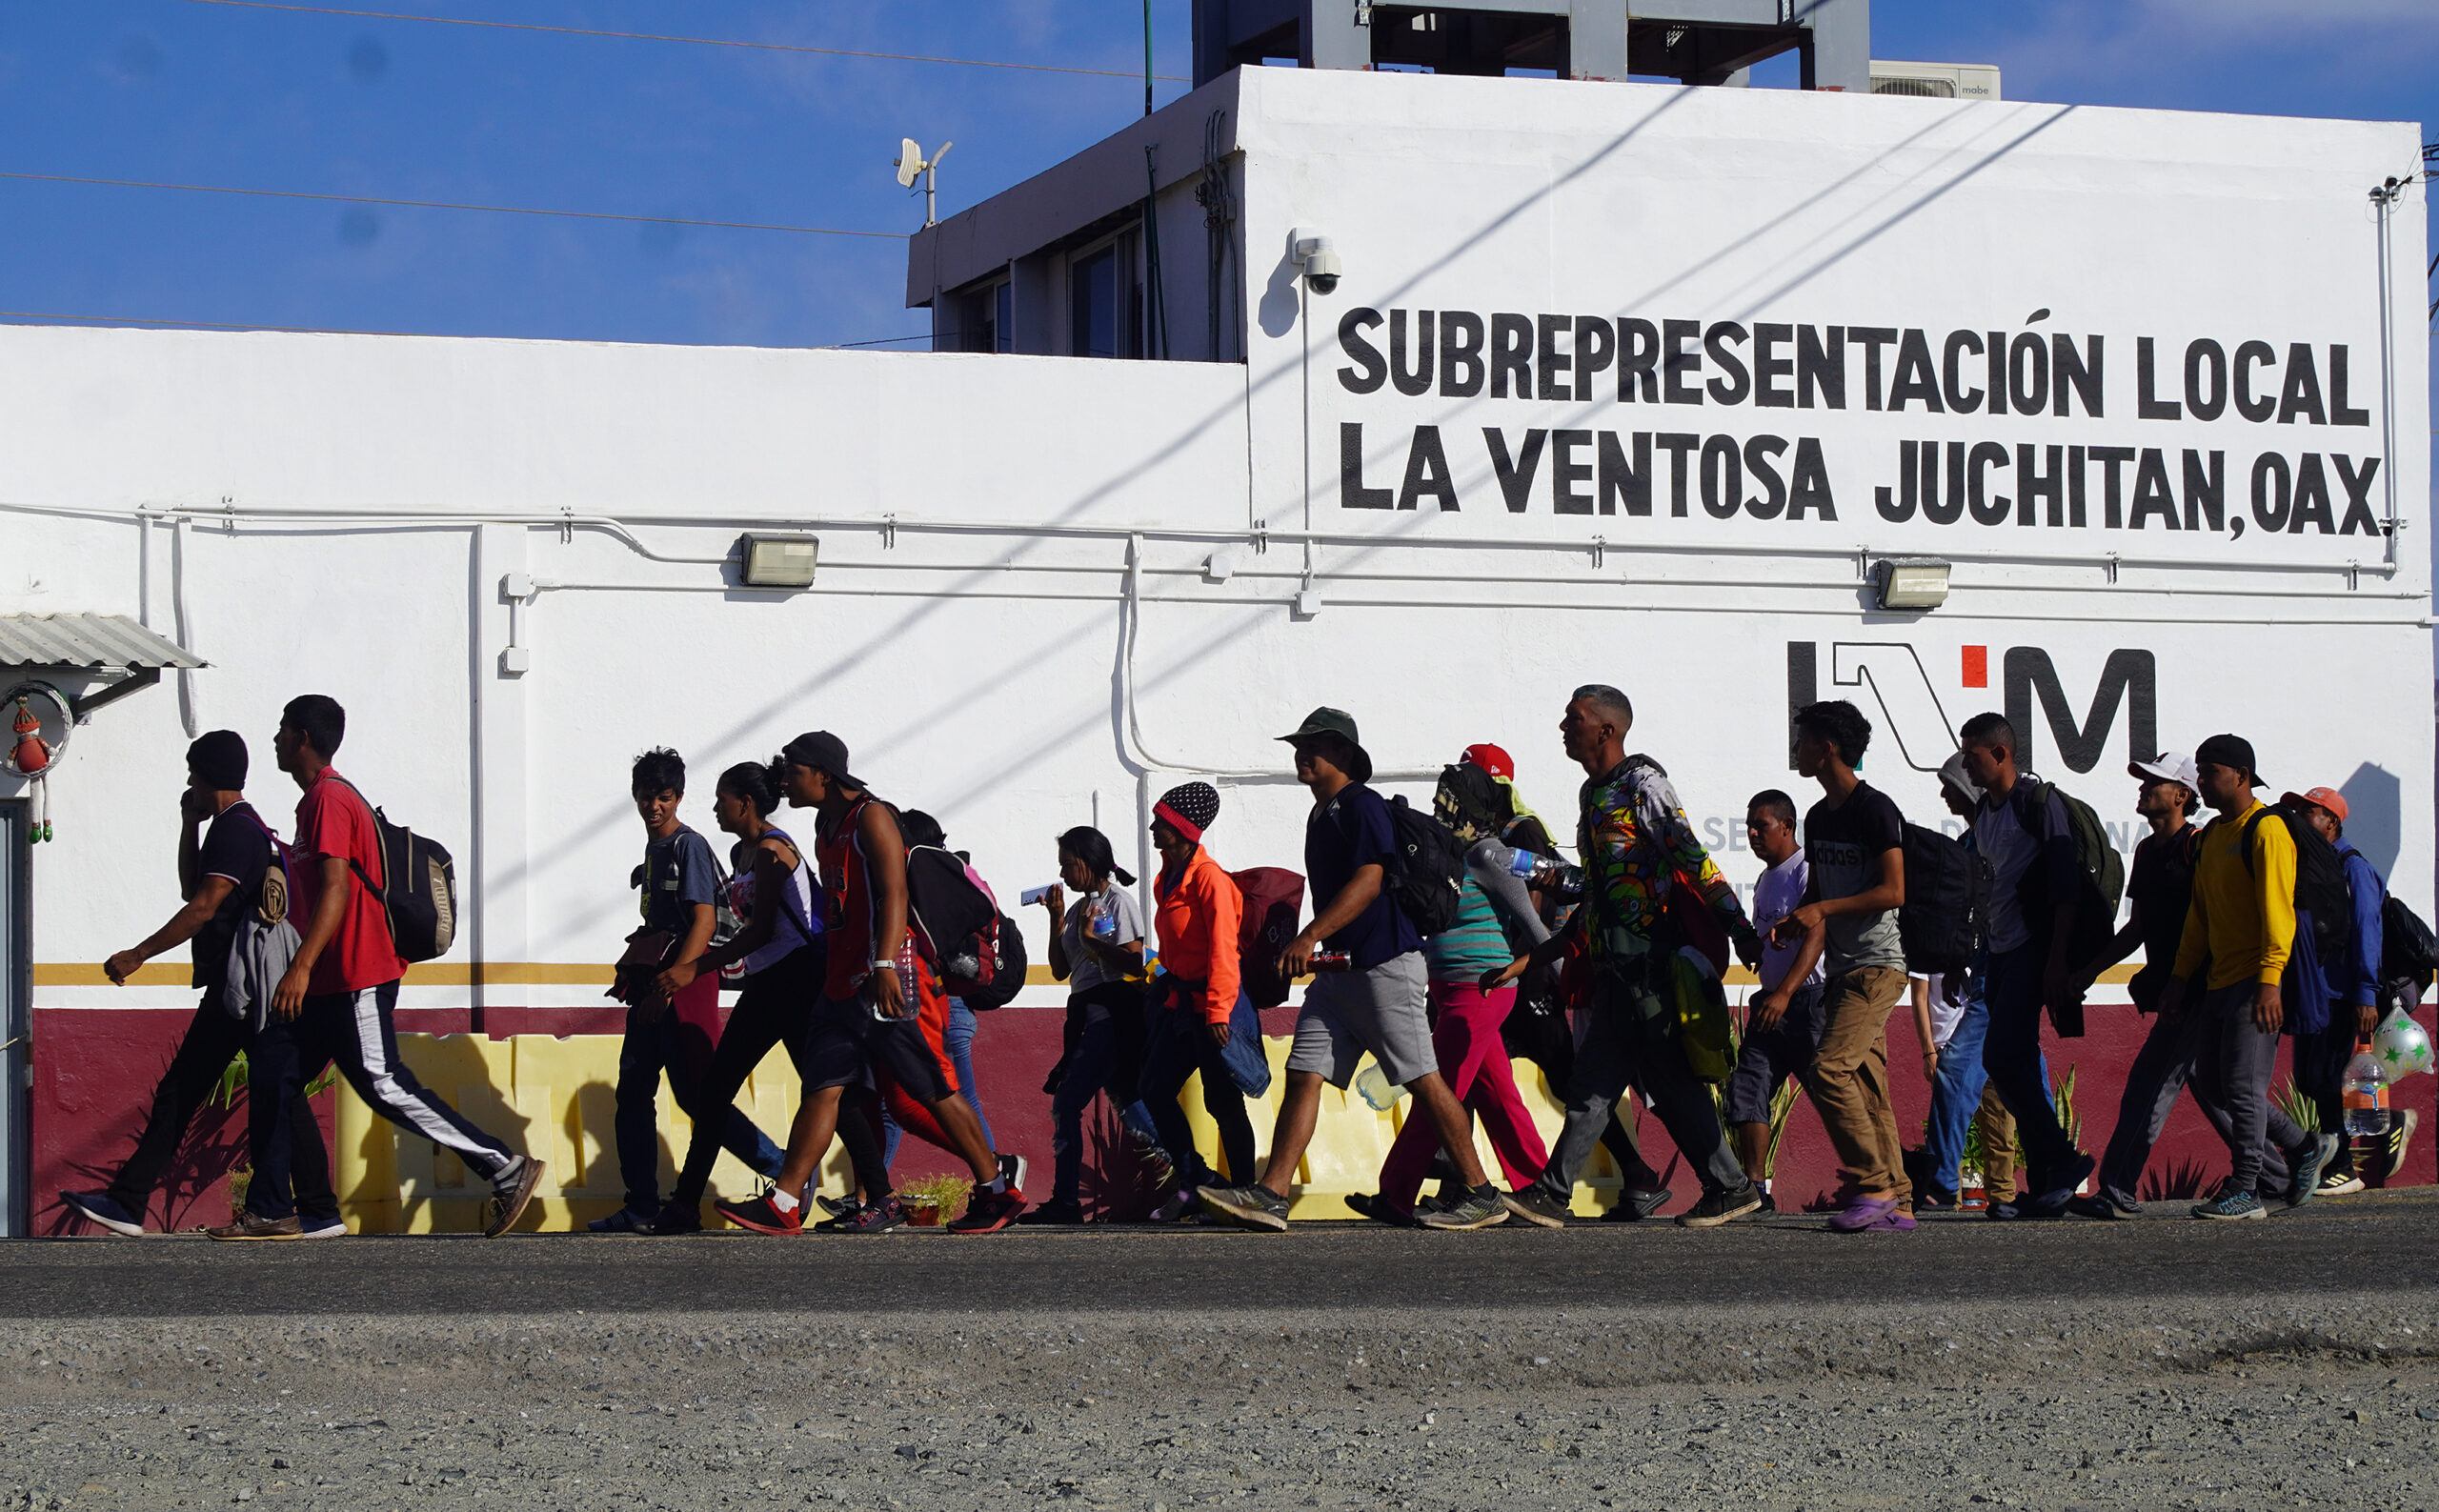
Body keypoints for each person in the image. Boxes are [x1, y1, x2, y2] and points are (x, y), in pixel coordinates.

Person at [215, 696, 543, 1240]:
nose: (274, 739)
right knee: (276, 1071)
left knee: (383, 1084)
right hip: (325, 981)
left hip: (355, 974)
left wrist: (299, 967)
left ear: (301, 738)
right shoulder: (316, 801)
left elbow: (337, 890)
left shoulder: (329, 799)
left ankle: (504, 1167)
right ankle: (275, 1207)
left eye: (281, 730)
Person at [1199, 710, 1508, 1233]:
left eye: (1314, 745)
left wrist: (1309, 935)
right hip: (1339, 974)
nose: (1302, 753)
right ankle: (1272, 1194)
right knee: (1303, 1073)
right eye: (1299, 744)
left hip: (1385, 967)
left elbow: (1370, 880)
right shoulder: (1322, 814)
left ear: (1344, 755)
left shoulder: (1362, 807)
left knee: (1423, 1080)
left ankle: (1481, 1193)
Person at [713, 733, 1023, 1237]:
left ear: (823, 775)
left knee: (931, 1089)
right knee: (821, 1088)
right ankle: (786, 1203)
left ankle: (997, 1188)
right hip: (841, 986)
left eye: (792, 771)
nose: (784, 780)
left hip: (889, 979)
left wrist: (882, 966)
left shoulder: (872, 818)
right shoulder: (824, 824)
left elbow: (895, 892)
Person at [1493, 685, 1766, 1230]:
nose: (1564, 727)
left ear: (1607, 730)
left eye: (1575, 718)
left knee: (1631, 1083)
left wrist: (1740, 928)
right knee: (1606, 1084)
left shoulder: (1645, 785)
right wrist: (1553, 948)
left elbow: (1694, 858)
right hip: (1614, 970)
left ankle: (1558, 1193)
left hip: (1653, 969)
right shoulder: (1592, 795)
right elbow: (1597, 890)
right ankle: (1728, 1188)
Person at [62, 732, 342, 1239]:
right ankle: (321, 1210)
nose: (189, 780)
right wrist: (189, 824)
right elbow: (194, 887)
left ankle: (127, 1203)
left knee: (181, 1090)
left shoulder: (237, 830)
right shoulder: (236, 828)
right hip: (252, 989)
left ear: (206, 773)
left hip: (239, 990)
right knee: (281, 1093)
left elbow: (202, 906)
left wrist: (138, 954)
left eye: (193, 772)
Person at [1466, 745, 1671, 1220]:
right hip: (1518, 970)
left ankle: (1617, 1177)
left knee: (1576, 1082)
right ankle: (1477, 1178)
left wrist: (1519, 961)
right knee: (1487, 1068)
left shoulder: (1523, 831)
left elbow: (1534, 905)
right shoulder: (1492, 834)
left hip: (1535, 976)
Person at [1347, 759, 1553, 1226]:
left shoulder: (1489, 855)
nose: (1439, 805)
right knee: (1498, 1095)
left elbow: (1535, 927)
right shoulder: (1443, 851)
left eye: (1449, 798)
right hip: (1448, 991)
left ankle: (1396, 1193)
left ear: (1472, 805)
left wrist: (1546, 970)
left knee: (1436, 1098)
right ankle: (1537, 1187)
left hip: (1481, 989)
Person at [592, 749, 785, 1234]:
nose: (653, 806)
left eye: (663, 797)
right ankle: (640, 1204)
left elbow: (702, 921)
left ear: (678, 797)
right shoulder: (653, 850)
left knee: (697, 1095)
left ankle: (783, 1169)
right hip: (652, 978)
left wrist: (675, 983)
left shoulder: (688, 846)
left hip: (685, 980)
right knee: (633, 1093)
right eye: (645, 796)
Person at [2160, 734, 2338, 1220]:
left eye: (2209, 770)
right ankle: (2305, 1145)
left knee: (2241, 1087)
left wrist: (2269, 980)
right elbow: (2199, 917)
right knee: (2217, 1086)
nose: (2200, 780)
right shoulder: (2213, 836)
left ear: (2239, 776)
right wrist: (2179, 978)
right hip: (2219, 979)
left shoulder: (2266, 830)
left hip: (2256, 979)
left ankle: (2246, 1189)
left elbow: (2277, 909)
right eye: (2198, 770)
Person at [646, 759, 820, 1235]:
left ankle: (874, 1191)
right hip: (768, 983)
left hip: (798, 980)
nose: (716, 808)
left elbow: (761, 929)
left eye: (722, 799)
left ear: (745, 803)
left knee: (826, 1089)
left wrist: (696, 966)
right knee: (716, 1089)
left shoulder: (770, 849)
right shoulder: (744, 854)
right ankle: (684, 1205)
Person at [1779, 700, 1915, 1232]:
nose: (1797, 751)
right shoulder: (1817, 816)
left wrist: (1823, 909)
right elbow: (1818, 901)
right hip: (1841, 971)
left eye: (1804, 740)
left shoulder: (1875, 809)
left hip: (1878, 966)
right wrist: (1801, 922)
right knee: (1867, 1089)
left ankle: (1873, 1186)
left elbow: (1894, 891)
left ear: (1827, 747)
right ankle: (1899, 1202)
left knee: (1828, 1070)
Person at [1955, 712, 2095, 1217]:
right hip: (2000, 953)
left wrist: (2057, 961)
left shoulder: (2038, 804)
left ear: (2000, 753)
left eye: (1972, 755)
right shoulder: (1986, 814)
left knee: (2000, 1057)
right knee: (2014, 1062)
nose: (1966, 764)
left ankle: (2058, 1157)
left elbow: (2064, 889)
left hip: (2034, 951)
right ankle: (2049, 1178)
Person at [1904, 755, 2038, 1216]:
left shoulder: (2002, 835)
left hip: (2004, 968)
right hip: (1988, 970)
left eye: (1951, 785)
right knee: (2027, 1076)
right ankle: (2049, 1172)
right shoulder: (1967, 843)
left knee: (1957, 1071)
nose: (1944, 795)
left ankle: (1941, 1178)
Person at [1135, 781, 1269, 1222]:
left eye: (1162, 822)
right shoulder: (1167, 878)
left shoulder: (1211, 880)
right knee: (1153, 1089)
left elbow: (1223, 951)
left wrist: (1216, 1013)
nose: (1154, 828)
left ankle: (1246, 1195)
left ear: (1183, 829)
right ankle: (1195, 1183)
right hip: (1179, 1006)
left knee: (1223, 1103)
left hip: (1214, 1007)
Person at [1022, 825, 1163, 1223]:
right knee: (1128, 1099)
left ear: (1088, 862)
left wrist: (1092, 943)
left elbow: (1135, 961)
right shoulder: (1076, 909)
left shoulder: (1119, 902)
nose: (1064, 874)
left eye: (1069, 865)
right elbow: (1059, 969)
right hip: (1083, 1009)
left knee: (1068, 1101)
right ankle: (1190, 1176)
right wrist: (1056, 919)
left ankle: (1066, 1201)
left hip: (1112, 1010)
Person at [1722, 788, 1825, 1207]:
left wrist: (1785, 993)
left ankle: (1883, 1180)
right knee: (1749, 1089)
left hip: (1808, 1004)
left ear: (1787, 826)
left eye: (1760, 825)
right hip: (1770, 1004)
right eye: (1749, 825)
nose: (1751, 833)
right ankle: (1755, 1191)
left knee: (1834, 1095)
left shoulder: (1805, 871)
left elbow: (1817, 935)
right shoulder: (1766, 879)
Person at [2282, 786, 2386, 1197]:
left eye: (2310, 811)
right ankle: (2387, 1123)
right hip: (2312, 990)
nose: (2301, 817)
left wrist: (2365, 993)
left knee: (2324, 1078)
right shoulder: (2311, 864)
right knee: (2309, 1081)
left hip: (2342, 993)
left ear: (2332, 822)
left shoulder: (2352, 867)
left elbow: (2368, 930)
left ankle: (2343, 1167)